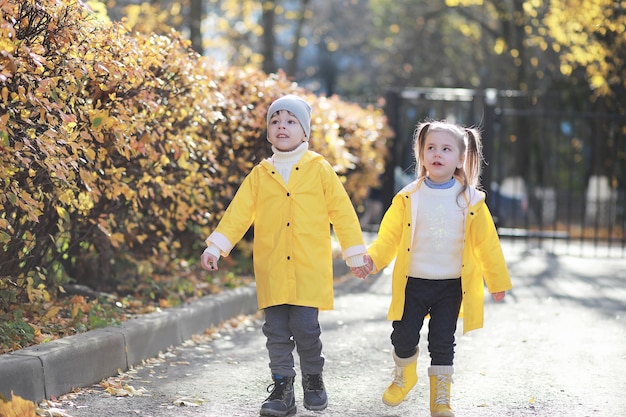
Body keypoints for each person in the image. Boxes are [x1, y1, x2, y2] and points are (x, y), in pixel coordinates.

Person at [201, 95, 368, 417]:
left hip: (309, 267)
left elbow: (343, 213)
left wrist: (355, 255)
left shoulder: (319, 170)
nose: (282, 126)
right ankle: (282, 389)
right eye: (275, 121)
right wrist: (215, 247)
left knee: (306, 329)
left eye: (291, 121)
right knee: (276, 332)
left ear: (305, 133)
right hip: (272, 266)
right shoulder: (261, 174)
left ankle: (314, 378)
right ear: (268, 132)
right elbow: (238, 213)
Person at [352, 120, 512, 417]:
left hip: (450, 286)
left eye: (446, 149)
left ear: (460, 158)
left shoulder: (472, 201)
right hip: (413, 282)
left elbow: (487, 244)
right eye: (431, 148)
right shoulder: (409, 196)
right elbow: (389, 236)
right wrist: (372, 260)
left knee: (442, 341)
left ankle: (441, 398)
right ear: (422, 154)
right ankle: (405, 374)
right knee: (402, 336)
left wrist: (496, 280)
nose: (437, 154)